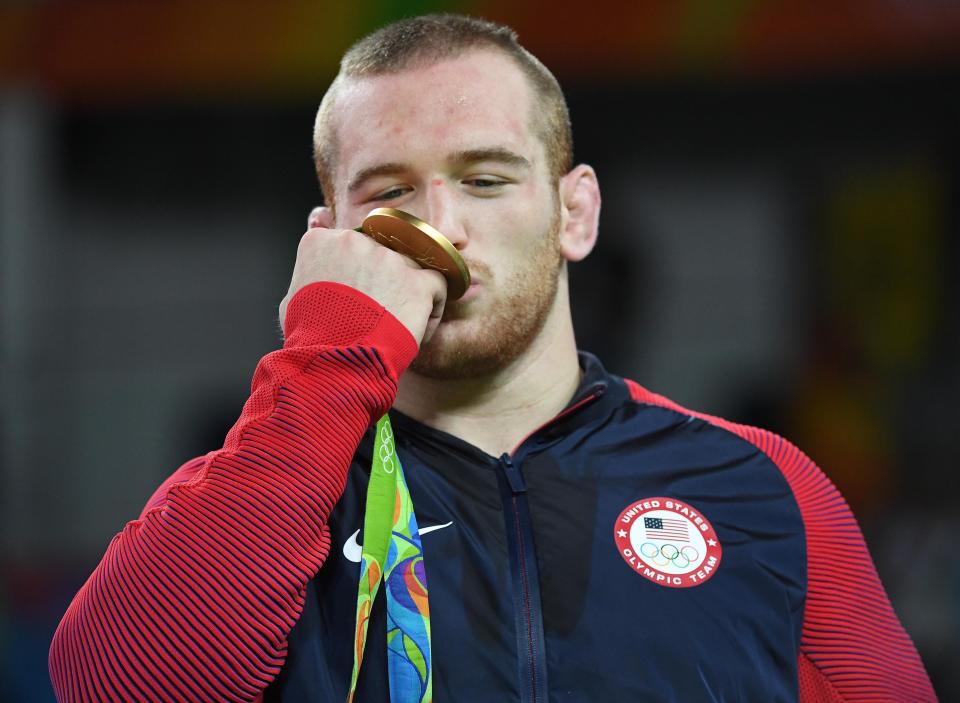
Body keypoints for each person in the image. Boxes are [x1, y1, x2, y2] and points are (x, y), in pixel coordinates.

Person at [49, 13, 936, 703]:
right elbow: (112, 682)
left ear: (573, 214)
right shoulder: (271, 488)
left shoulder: (761, 483)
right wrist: (325, 360)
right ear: (327, 239)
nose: (442, 227)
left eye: (485, 178)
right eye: (391, 192)